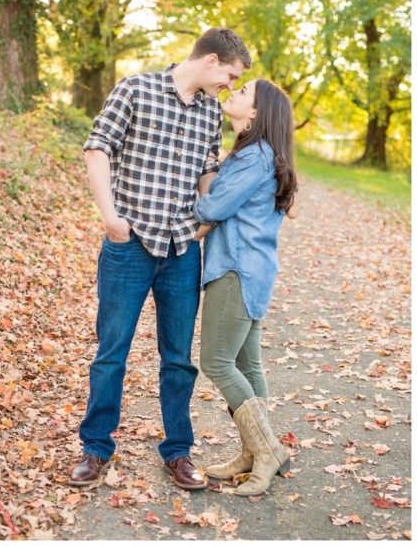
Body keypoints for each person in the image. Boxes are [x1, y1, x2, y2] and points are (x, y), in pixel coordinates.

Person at [69, 27, 252, 491]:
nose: (229, 87)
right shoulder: (135, 88)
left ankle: (177, 451)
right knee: (111, 351)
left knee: (178, 359)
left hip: (182, 250)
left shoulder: (210, 113)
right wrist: (110, 217)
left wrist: (205, 223)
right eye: (229, 76)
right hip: (128, 245)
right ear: (211, 61)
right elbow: (97, 149)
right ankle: (95, 448)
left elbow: (208, 173)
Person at [194, 79, 297, 496]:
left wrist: (199, 195)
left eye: (241, 93)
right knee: (247, 364)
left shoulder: (254, 157)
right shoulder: (258, 153)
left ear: (255, 113)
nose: (231, 94)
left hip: (235, 269)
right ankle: (253, 453)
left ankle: (267, 449)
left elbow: (213, 207)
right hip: (254, 271)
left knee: (217, 362)